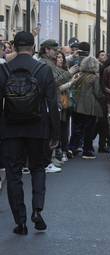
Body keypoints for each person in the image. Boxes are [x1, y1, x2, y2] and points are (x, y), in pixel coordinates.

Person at [0, 31, 60, 235]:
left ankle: (21, 221)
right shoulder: (43, 70)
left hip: (10, 129)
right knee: (38, 169)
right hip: (38, 127)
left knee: (13, 174)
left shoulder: (5, 70)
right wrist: (55, 133)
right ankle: (37, 210)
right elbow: (53, 104)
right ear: (33, 47)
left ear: (14, 48)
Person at [68, 57, 104, 159]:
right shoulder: (94, 78)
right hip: (90, 107)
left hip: (76, 106)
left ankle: (72, 147)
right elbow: (98, 93)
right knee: (89, 130)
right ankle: (87, 151)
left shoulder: (78, 75)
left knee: (76, 129)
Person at [38, 39, 64, 173]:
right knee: (48, 132)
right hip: (47, 102)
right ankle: (46, 162)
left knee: (49, 131)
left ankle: (47, 161)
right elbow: (55, 81)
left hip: (49, 100)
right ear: (47, 50)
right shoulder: (45, 63)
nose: (56, 52)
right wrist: (70, 72)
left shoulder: (47, 62)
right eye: (54, 50)